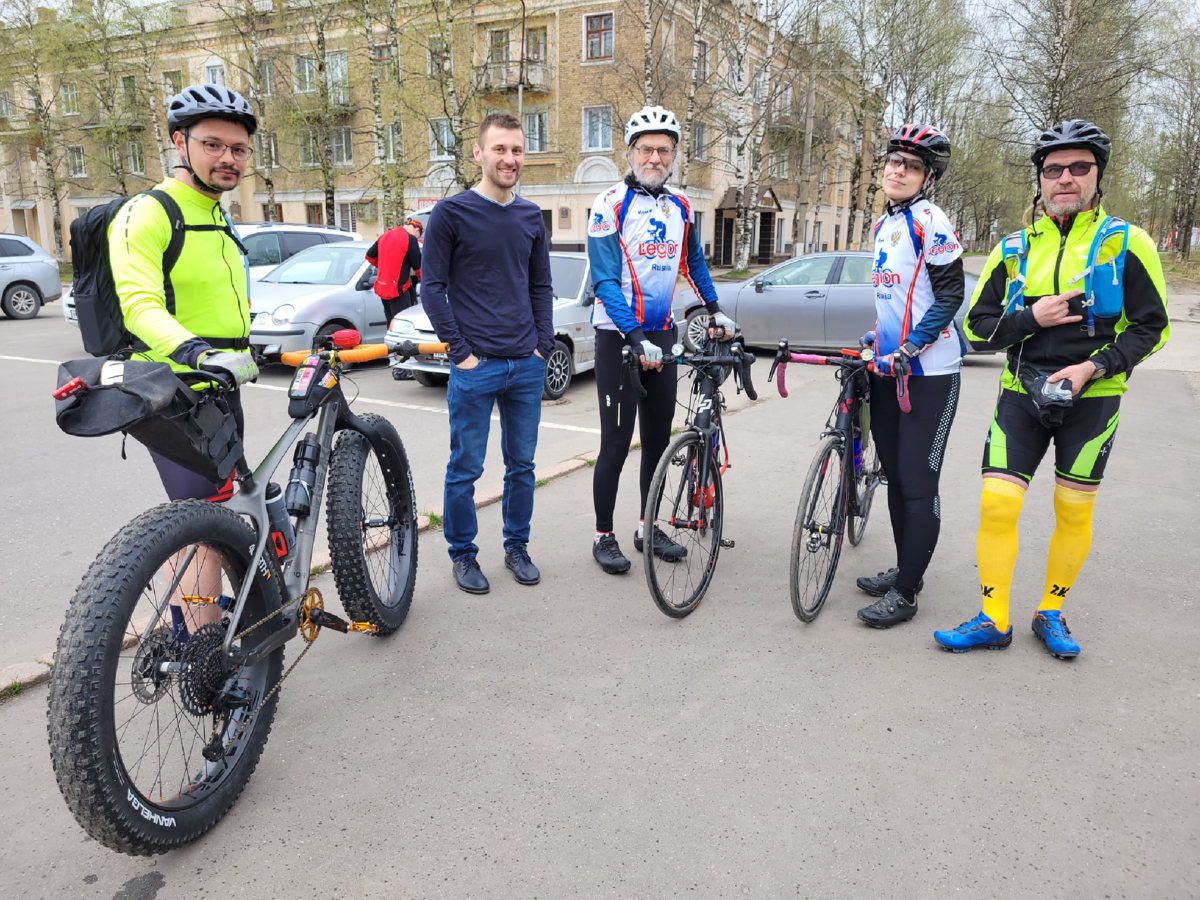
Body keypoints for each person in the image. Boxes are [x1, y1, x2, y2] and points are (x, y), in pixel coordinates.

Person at [934, 119, 1170, 657]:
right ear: (1040, 180)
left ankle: (1051, 611)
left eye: (1078, 168)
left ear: (1097, 176)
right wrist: (1031, 318)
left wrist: (1096, 366)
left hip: (1095, 397)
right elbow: (976, 327)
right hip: (1021, 393)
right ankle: (993, 619)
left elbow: (1151, 328)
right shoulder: (1014, 248)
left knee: (1074, 511)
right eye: (1053, 169)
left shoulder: (1129, 244)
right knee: (996, 505)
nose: (1065, 178)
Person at [109, 82, 260, 639]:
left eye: (239, 149)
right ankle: (200, 654)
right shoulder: (147, 213)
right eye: (214, 144)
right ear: (180, 141)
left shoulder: (216, 214)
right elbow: (140, 305)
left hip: (220, 388)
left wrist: (243, 347)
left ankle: (203, 632)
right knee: (202, 520)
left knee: (214, 515)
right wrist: (200, 353)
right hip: (172, 391)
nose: (228, 158)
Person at [586, 105, 735, 574]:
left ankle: (648, 526)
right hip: (618, 336)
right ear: (630, 153)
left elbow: (694, 263)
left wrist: (715, 309)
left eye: (663, 150)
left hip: (663, 335)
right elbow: (605, 281)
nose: (654, 157)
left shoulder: (682, 206)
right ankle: (603, 535)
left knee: (656, 440)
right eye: (646, 149)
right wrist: (633, 337)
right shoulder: (609, 204)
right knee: (615, 443)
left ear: (673, 157)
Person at [421, 113, 554, 594]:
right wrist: (461, 353)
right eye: (499, 149)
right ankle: (463, 555)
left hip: (525, 365)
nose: (509, 159)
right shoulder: (451, 214)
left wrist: (543, 345)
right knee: (466, 470)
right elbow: (431, 288)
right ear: (478, 153)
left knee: (522, 466)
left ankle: (517, 546)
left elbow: (540, 284)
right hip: (476, 367)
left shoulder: (530, 216)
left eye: (517, 150)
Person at [854, 124, 966, 628]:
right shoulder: (886, 225)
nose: (897, 170)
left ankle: (907, 594)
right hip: (888, 368)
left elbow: (949, 297)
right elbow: (896, 301)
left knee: (918, 483)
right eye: (894, 161)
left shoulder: (932, 222)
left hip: (929, 374)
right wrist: (875, 337)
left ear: (929, 178)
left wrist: (913, 345)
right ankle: (907, 572)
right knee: (895, 477)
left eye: (912, 165)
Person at [366, 216, 423, 380]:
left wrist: (385, 266)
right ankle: (402, 368)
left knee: (391, 325)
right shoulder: (410, 239)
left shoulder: (385, 235)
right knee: (404, 329)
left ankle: (394, 364)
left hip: (383, 288)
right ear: (417, 229)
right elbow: (419, 269)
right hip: (399, 290)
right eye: (419, 236)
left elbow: (370, 257)